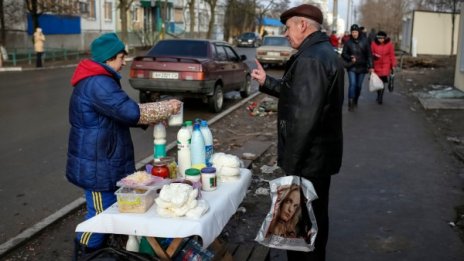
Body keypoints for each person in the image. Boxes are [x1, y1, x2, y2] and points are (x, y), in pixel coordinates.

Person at [66, 32, 181, 260]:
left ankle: (100, 254)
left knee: (108, 215)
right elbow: (130, 112)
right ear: (109, 58)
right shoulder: (98, 82)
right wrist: (166, 107)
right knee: (99, 218)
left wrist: (152, 117)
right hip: (98, 166)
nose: (124, 61)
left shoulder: (99, 79)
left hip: (103, 161)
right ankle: (83, 255)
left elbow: (118, 112)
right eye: (121, 56)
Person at [251, 4, 344, 260]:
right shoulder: (318, 53)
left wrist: (290, 166)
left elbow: (304, 118)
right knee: (312, 220)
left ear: (303, 25)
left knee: (304, 227)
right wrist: (266, 82)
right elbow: (299, 96)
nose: (285, 33)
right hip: (317, 158)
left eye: (288, 27)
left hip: (308, 161)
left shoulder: (312, 59)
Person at [341, 24, 373, 111]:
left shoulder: (365, 41)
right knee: (352, 84)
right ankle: (350, 103)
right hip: (352, 67)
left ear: (358, 32)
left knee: (358, 86)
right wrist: (350, 57)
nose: (354, 33)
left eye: (355, 32)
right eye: (353, 32)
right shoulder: (348, 42)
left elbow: (369, 55)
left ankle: (355, 99)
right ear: (351, 33)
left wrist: (371, 66)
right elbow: (343, 54)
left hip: (362, 67)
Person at [371, 31, 397, 104]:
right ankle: (378, 94)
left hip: (386, 65)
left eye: (382, 38)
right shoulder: (373, 44)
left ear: (385, 38)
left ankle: (380, 97)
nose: (381, 40)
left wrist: (393, 65)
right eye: (379, 38)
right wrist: (374, 56)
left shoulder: (389, 44)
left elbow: (392, 55)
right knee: (377, 82)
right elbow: (370, 53)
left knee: (382, 81)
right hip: (376, 65)